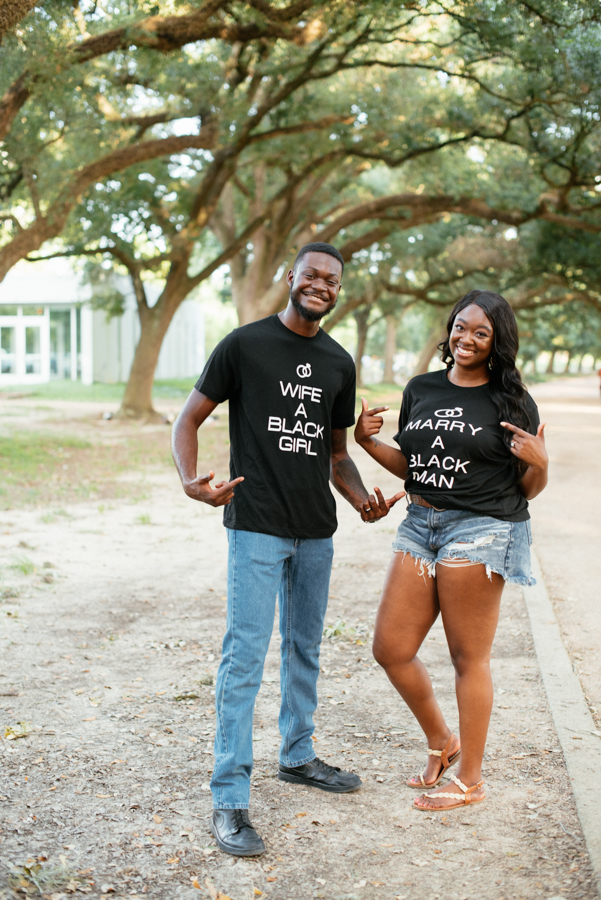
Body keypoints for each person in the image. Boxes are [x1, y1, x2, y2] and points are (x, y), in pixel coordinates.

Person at [172, 241, 404, 856]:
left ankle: (297, 756)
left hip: (316, 532)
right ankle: (229, 798)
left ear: (337, 291)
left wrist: (361, 501)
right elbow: (187, 420)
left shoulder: (337, 361)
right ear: (291, 277)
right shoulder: (243, 345)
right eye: (312, 275)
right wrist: (191, 481)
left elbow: (335, 454)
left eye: (332, 279)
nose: (321, 285)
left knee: (305, 649)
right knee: (244, 658)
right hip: (256, 526)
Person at [354, 289, 548, 811]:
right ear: (450, 328)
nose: (466, 338)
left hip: (482, 529)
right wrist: (368, 444)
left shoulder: (512, 401)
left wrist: (540, 462)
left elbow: (526, 489)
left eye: (480, 333)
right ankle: (443, 742)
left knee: (468, 657)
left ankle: (471, 781)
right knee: (391, 648)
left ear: (495, 342)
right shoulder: (421, 389)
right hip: (421, 524)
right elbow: (416, 467)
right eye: (461, 327)